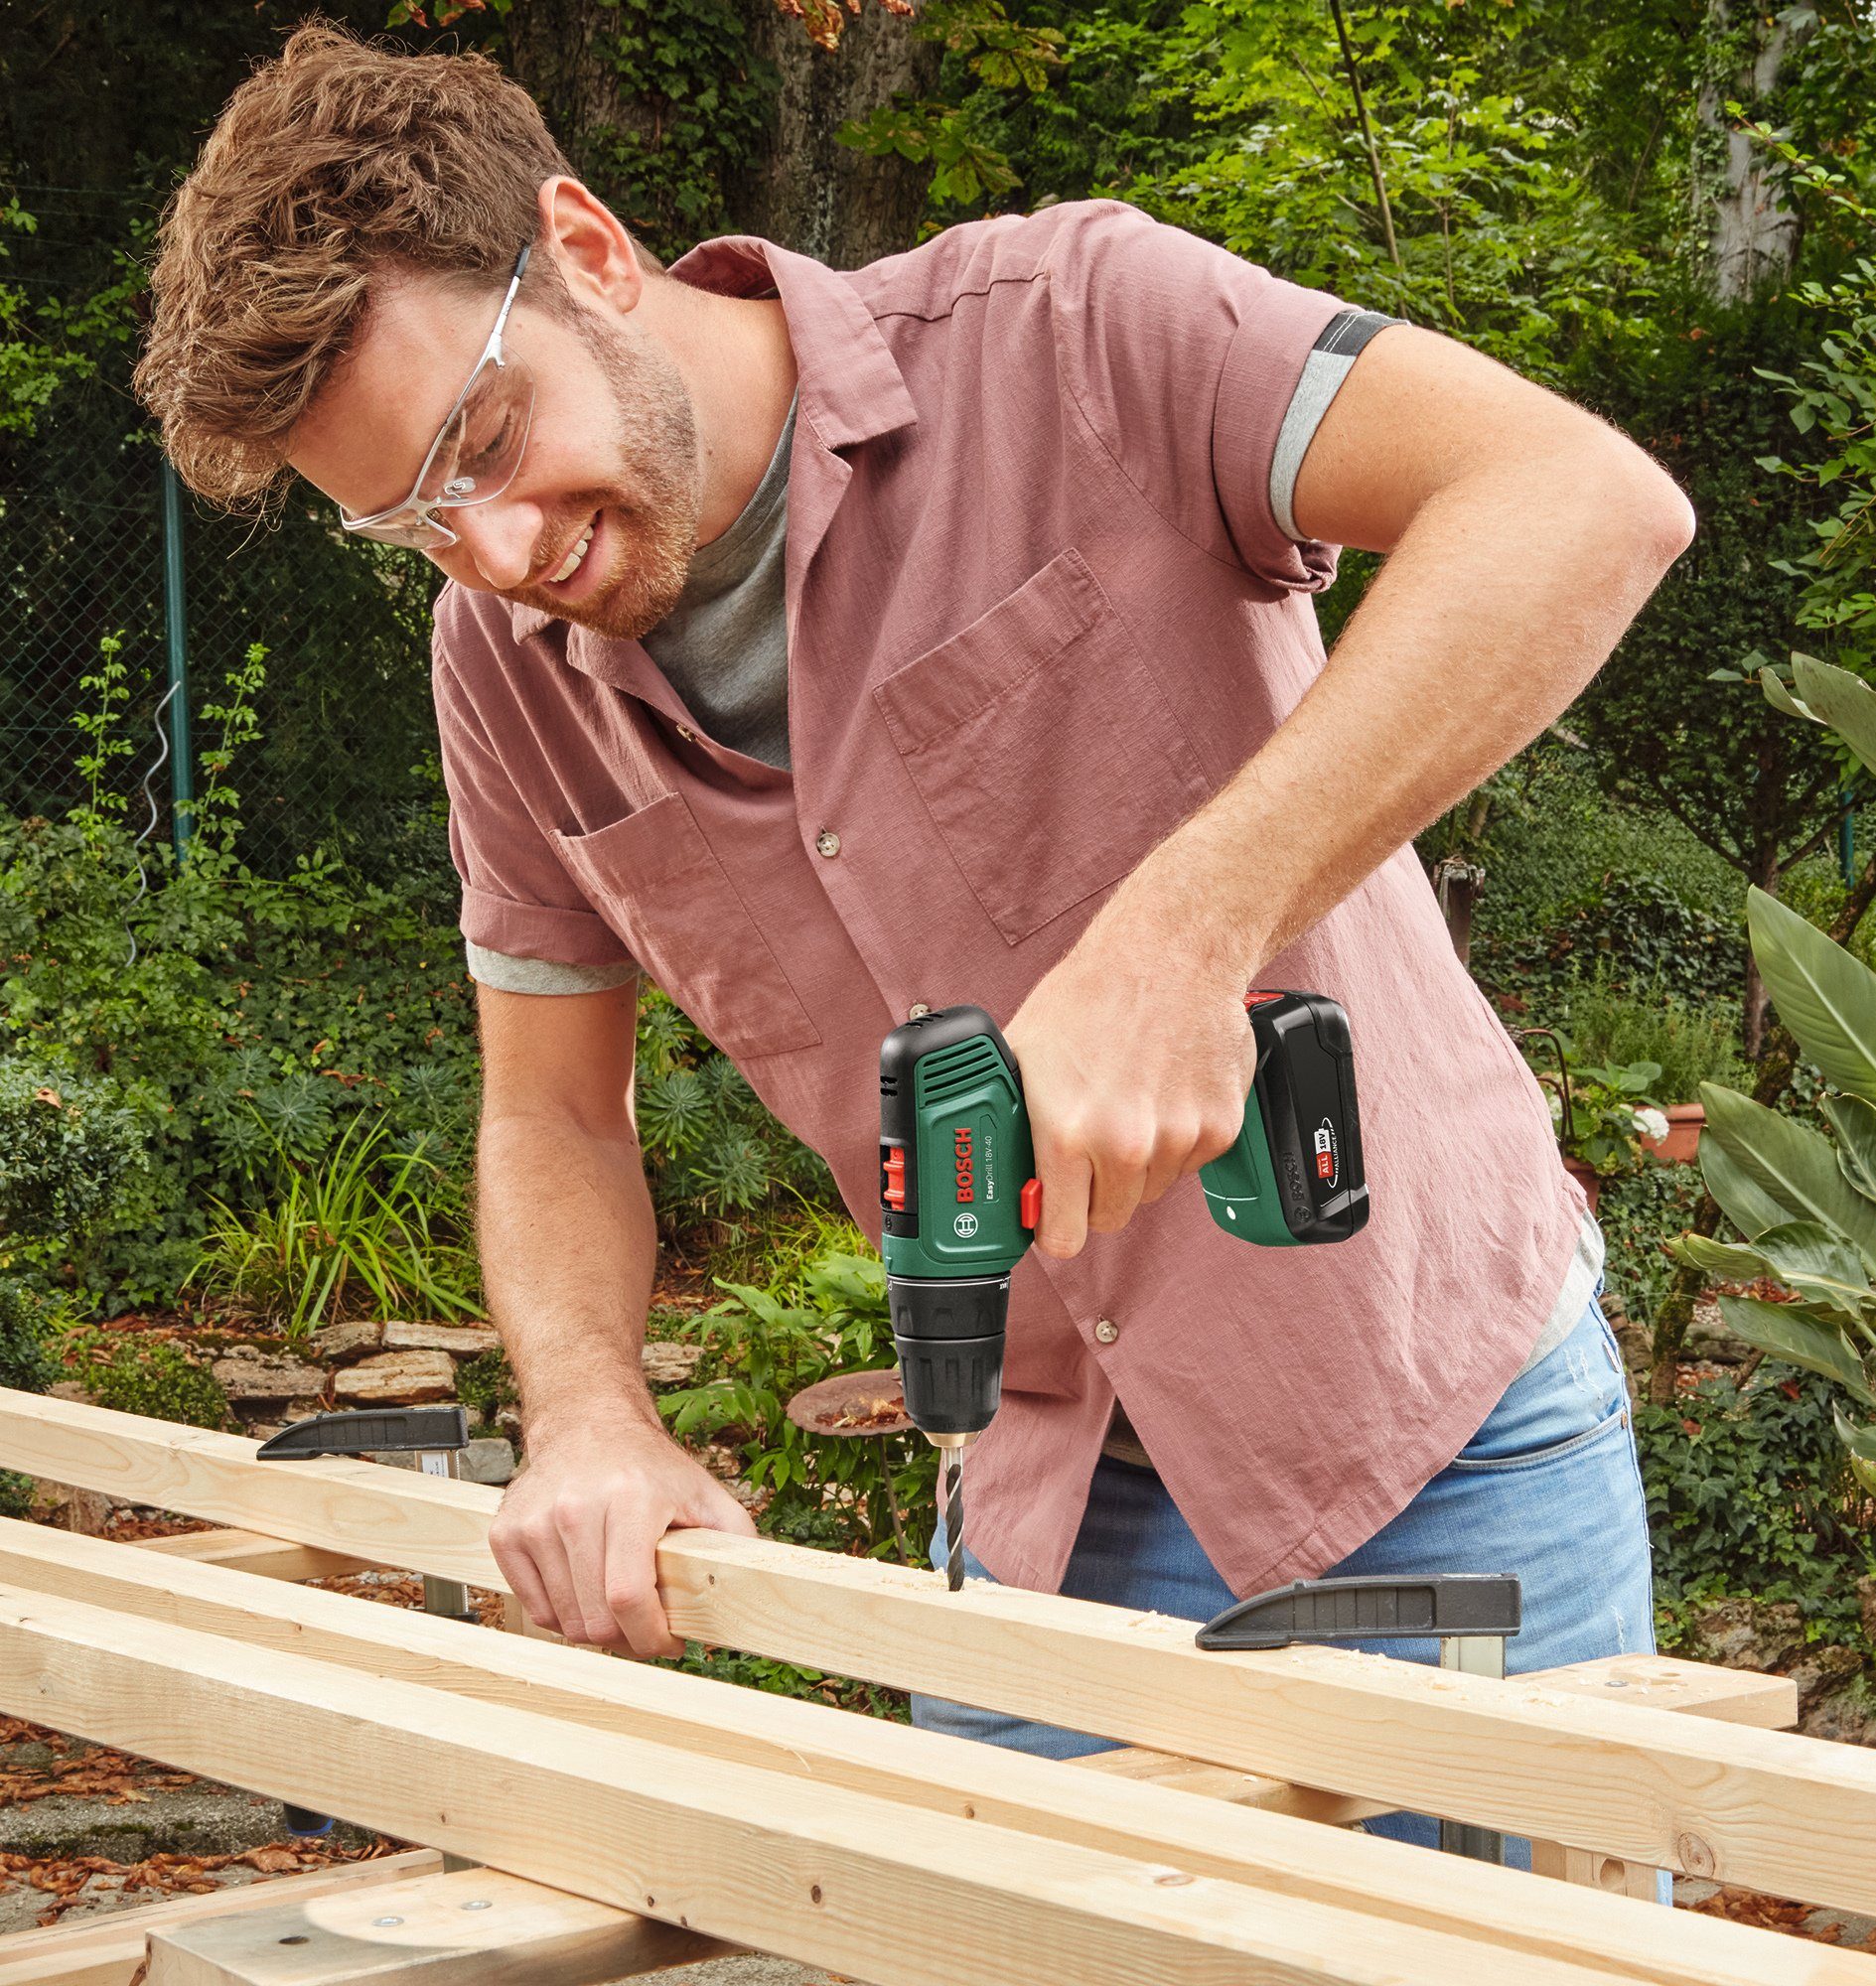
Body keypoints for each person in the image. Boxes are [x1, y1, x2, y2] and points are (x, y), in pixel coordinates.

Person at [135, 23, 1693, 1823]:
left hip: (1431, 1435)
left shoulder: (1074, 333)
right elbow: (549, 1109)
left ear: (582, 248)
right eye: (411, 520)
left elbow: (1579, 501)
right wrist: (587, 1410)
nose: (491, 551)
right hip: (1031, 1493)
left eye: (485, 443)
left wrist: (1189, 928)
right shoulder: (503, 668)